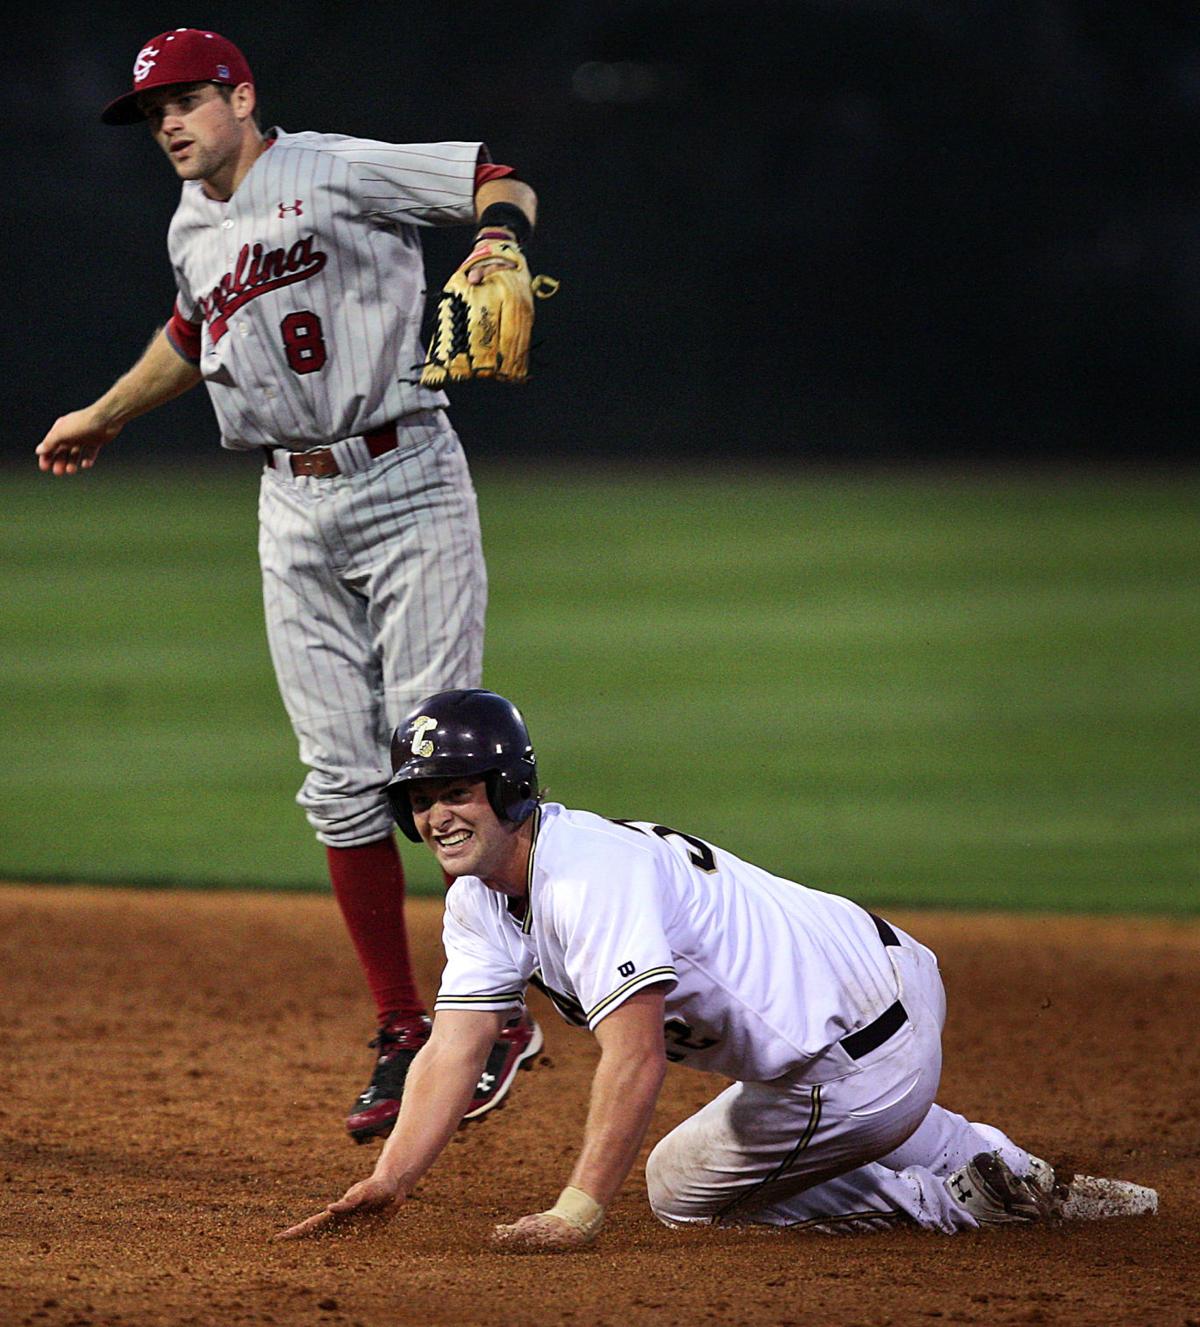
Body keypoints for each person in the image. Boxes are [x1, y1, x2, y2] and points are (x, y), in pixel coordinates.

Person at [34, 29, 543, 1142]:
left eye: (186, 101)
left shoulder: (328, 166)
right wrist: (106, 414)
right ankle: (405, 1024)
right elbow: (189, 330)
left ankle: (495, 1011)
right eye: (152, 112)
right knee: (337, 779)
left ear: (241, 95)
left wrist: (498, 236)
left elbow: (490, 175)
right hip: (288, 503)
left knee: (434, 754)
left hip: (404, 472)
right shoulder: (190, 222)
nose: (169, 123)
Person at [276, 688, 1158, 1248]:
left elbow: (635, 1055)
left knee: (677, 1187)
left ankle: (959, 1201)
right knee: (789, 1104)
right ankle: (998, 1163)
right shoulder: (482, 895)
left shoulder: (586, 876)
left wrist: (578, 1209)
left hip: (855, 1054)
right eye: (420, 800)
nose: (435, 817)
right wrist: (391, 1178)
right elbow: (455, 1048)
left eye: (456, 791)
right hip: (882, 981)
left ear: (509, 791)